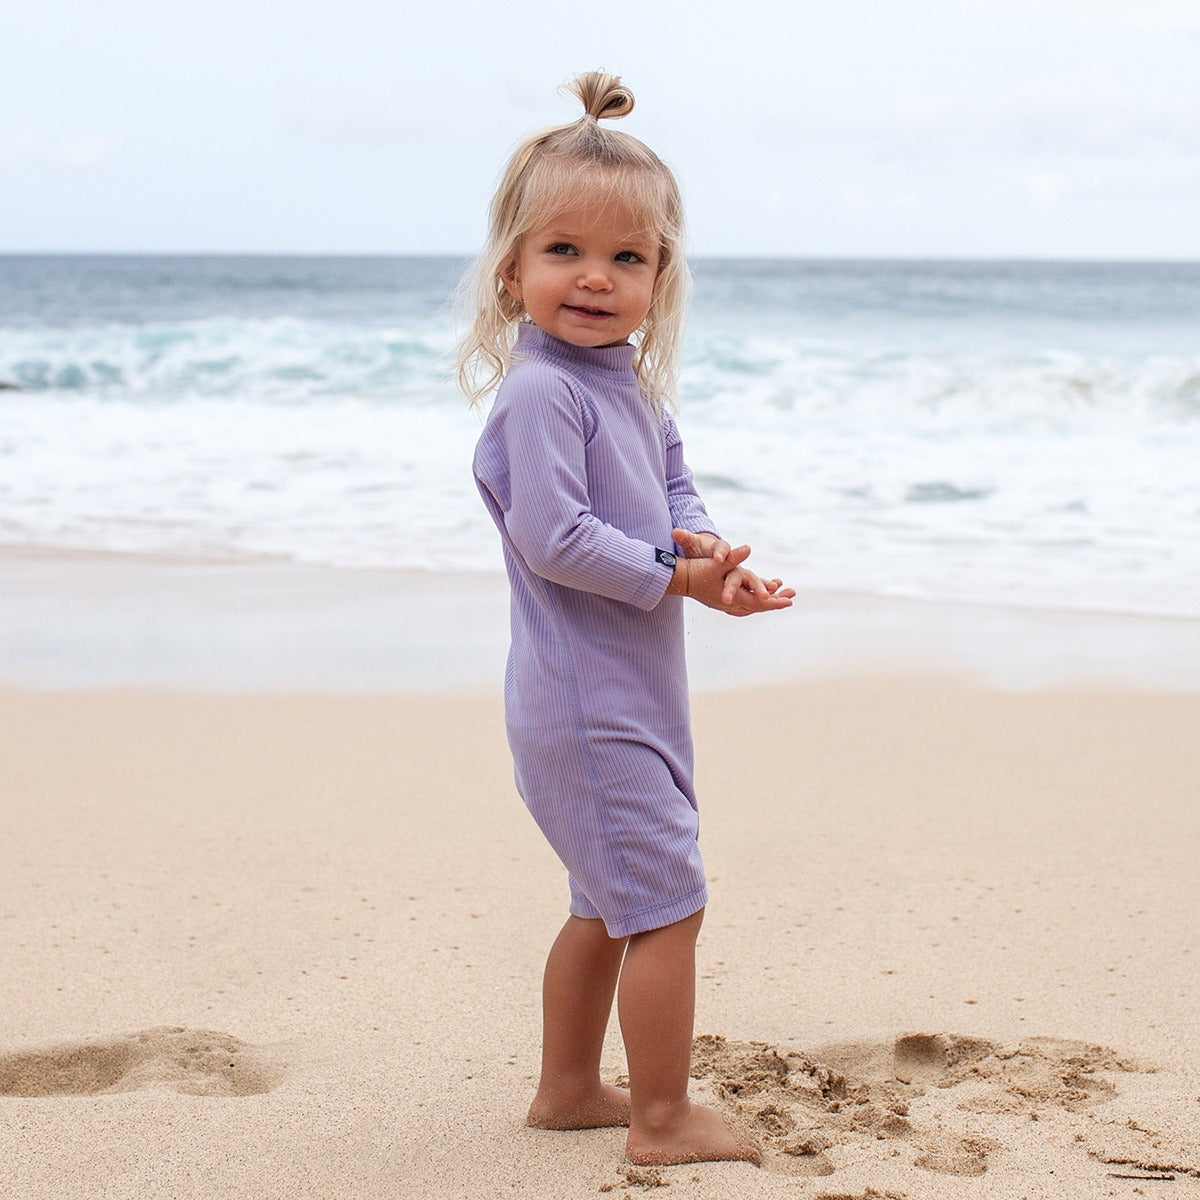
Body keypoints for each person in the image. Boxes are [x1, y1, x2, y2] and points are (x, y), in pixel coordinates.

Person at [459, 70, 794, 1167]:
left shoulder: (629, 388)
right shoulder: (541, 393)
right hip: (585, 703)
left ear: (660, 278)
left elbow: (675, 491)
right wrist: (674, 575)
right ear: (511, 273)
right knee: (666, 906)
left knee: (610, 903)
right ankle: (660, 1118)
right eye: (564, 252)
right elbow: (555, 538)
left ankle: (566, 1090)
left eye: (627, 258)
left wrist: (704, 552)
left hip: (625, 695)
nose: (595, 278)